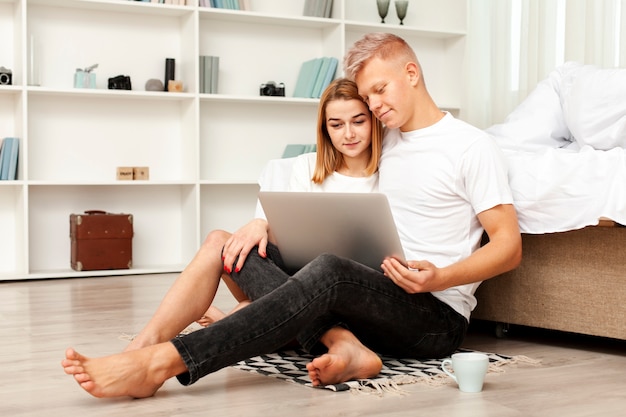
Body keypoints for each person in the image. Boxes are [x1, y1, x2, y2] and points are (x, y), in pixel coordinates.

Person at [62, 33, 522, 399]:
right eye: (368, 96)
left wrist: (439, 278)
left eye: (381, 90)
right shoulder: (387, 140)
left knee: (329, 270)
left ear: (413, 72)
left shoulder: (471, 146)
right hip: (376, 294)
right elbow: (332, 178)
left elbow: (508, 247)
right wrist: (263, 221)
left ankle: (163, 363)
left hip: (435, 316)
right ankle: (343, 344)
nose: (375, 105)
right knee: (233, 246)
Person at [121, 77, 383, 351]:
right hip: (296, 280)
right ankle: (146, 343)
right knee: (219, 241)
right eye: (337, 125)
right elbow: (294, 239)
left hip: (351, 292)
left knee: (279, 294)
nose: (349, 134)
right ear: (325, 129)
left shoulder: (390, 174)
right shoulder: (307, 167)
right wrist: (262, 224)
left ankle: (246, 315)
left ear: (373, 120)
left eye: (358, 121)